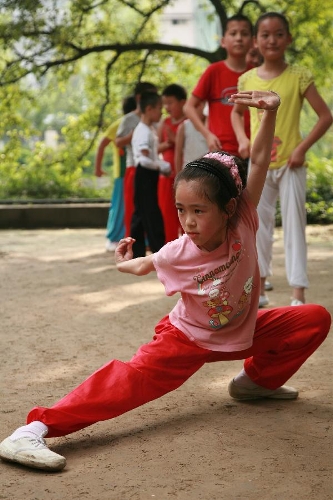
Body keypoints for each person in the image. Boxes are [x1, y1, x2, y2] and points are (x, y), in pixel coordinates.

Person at [0, 91, 331, 474]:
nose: (188, 221)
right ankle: (33, 429)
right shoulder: (179, 250)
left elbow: (257, 159)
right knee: (124, 383)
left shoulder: (244, 218)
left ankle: (254, 383)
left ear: (228, 209)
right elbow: (144, 265)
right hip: (186, 339)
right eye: (181, 210)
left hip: (243, 331)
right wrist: (123, 263)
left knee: (314, 318)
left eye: (198, 211)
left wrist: (270, 112)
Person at [231, 12, 333, 308]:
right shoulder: (247, 78)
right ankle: (259, 288)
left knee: (293, 225)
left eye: (278, 34)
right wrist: (242, 140)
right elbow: (236, 114)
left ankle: (298, 292)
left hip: (291, 164)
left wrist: (301, 149)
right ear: (255, 41)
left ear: (288, 38)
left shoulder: (299, 76)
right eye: (265, 34)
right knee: (257, 226)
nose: (271, 40)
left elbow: (325, 117)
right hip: (259, 167)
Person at [184, 14, 254, 154]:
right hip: (221, 150)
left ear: (253, 41)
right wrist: (207, 135)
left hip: (253, 150)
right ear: (223, 41)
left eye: (244, 33)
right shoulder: (213, 71)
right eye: (233, 33)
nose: (239, 38)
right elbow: (188, 107)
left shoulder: (256, 74)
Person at [130, 91, 171, 258]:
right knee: (149, 212)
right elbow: (143, 159)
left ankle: (138, 251)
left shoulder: (149, 130)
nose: (162, 112)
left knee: (142, 213)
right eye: (159, 108)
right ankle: (158, 249)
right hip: (145, 174)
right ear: (149, 109)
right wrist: (162, 166)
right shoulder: (143, 132)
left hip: (148, 174)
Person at [115, 81, 158, 238]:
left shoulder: (157, 119)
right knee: (134, 209)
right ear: (139, 98)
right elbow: (117, 142)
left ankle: (151, 243)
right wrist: (132, 136)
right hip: (135, 167)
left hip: (154, 167)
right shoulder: (129, 119)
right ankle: (132, 243)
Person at [94, 95, 137, 251]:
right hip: (122, 173)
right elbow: (102, 144)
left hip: (137, 170)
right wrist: (97, 168)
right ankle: (114, 238)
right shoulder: (120, 124)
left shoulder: (141, 122)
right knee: (120, 206)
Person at [157, 84, 187, 242]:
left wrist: (177, 140)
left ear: (183, 102)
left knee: (186, 213)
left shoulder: (189, 122)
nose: (167, 107)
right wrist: (168, 144)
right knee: (166, 214)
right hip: (166, 176)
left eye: (170, 102)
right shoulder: (165, 122)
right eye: (165, 104)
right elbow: (156, 148)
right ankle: (170, 250)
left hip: (184, 175)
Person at [174, 100, 208, 174]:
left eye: (203, 105)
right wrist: (178, 175)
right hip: (189, 171)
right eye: (196, 106)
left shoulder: (211, 123)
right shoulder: (184, 127)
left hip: (207, 172)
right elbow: (178, 154)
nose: (201, 108)